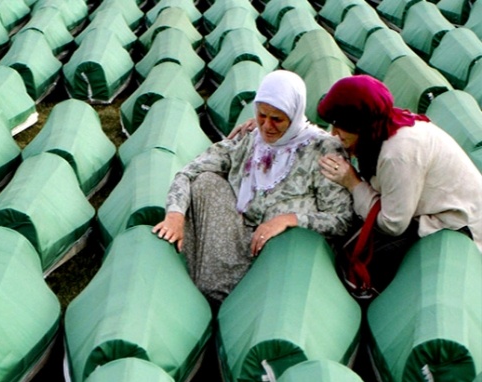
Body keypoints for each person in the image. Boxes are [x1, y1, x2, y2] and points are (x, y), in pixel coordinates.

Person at [152, 70, 353, 303]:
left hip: (280, 250)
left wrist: (289, 219)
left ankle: (231, 294)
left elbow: (342, 219)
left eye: (277, 119)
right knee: (205, 181)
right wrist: (174, 215)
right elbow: (189, 171)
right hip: (239, 235)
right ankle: (210, 287)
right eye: (261, 115)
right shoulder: (250, 138)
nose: (266, 126)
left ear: (295, 114)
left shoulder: (323, 150)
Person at [316, 74, 482, 294]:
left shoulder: (398, 153)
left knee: (358, 263)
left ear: (360, 125)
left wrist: (352, 182)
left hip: (457, 224)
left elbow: (393, 224)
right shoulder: (385, 127)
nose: (333, 134)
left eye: (340, 126)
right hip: (425, 209)